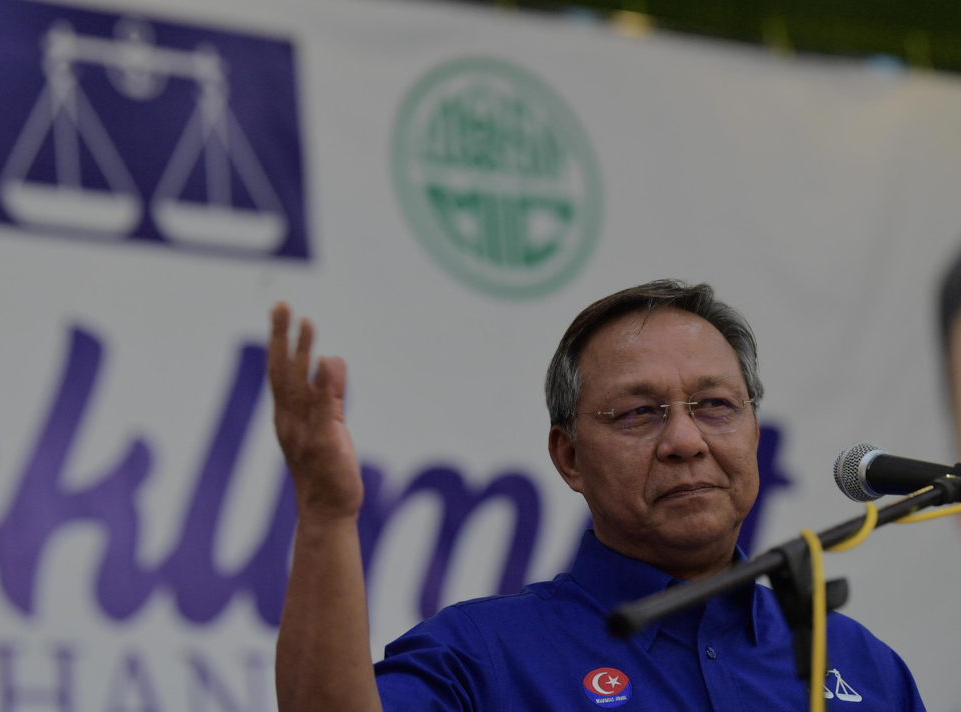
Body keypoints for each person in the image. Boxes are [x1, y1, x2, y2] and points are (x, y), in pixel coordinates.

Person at [268, 279, 924, 711]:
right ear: (569, 457)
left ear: (754, 430)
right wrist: (326, 517)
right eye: (640, 413)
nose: (685, 440)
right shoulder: (484, 656)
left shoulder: (861, 664)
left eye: (716, 406)